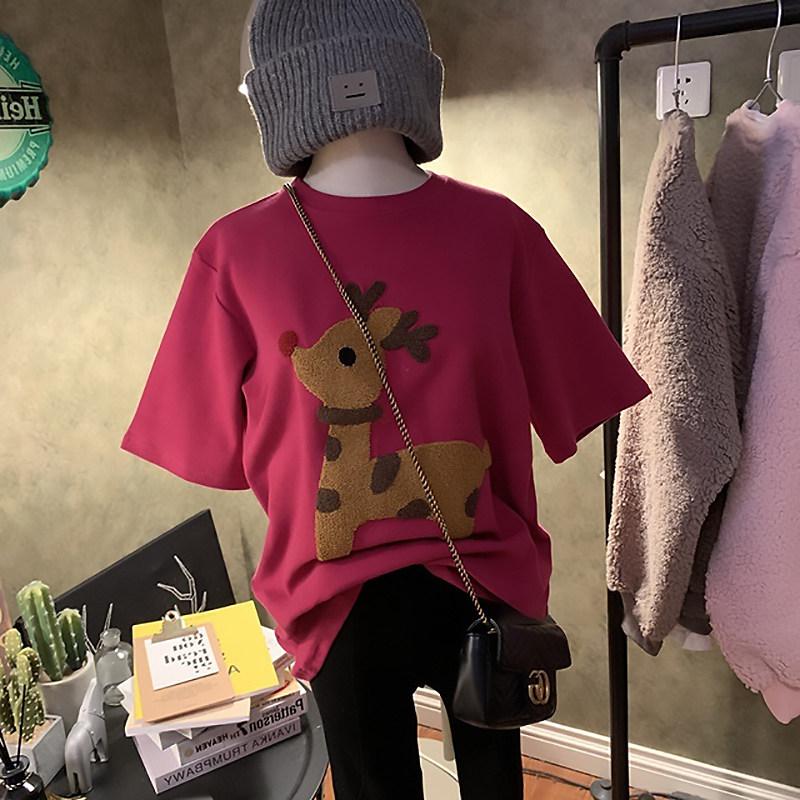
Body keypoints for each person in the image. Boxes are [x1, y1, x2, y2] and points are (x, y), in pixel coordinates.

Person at [121, 1, 651, 798]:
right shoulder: (238, 256)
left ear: (270, 97)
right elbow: (579, 390)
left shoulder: (493, 235)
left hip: (446, 589)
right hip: (407, 591)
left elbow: (206, 441)